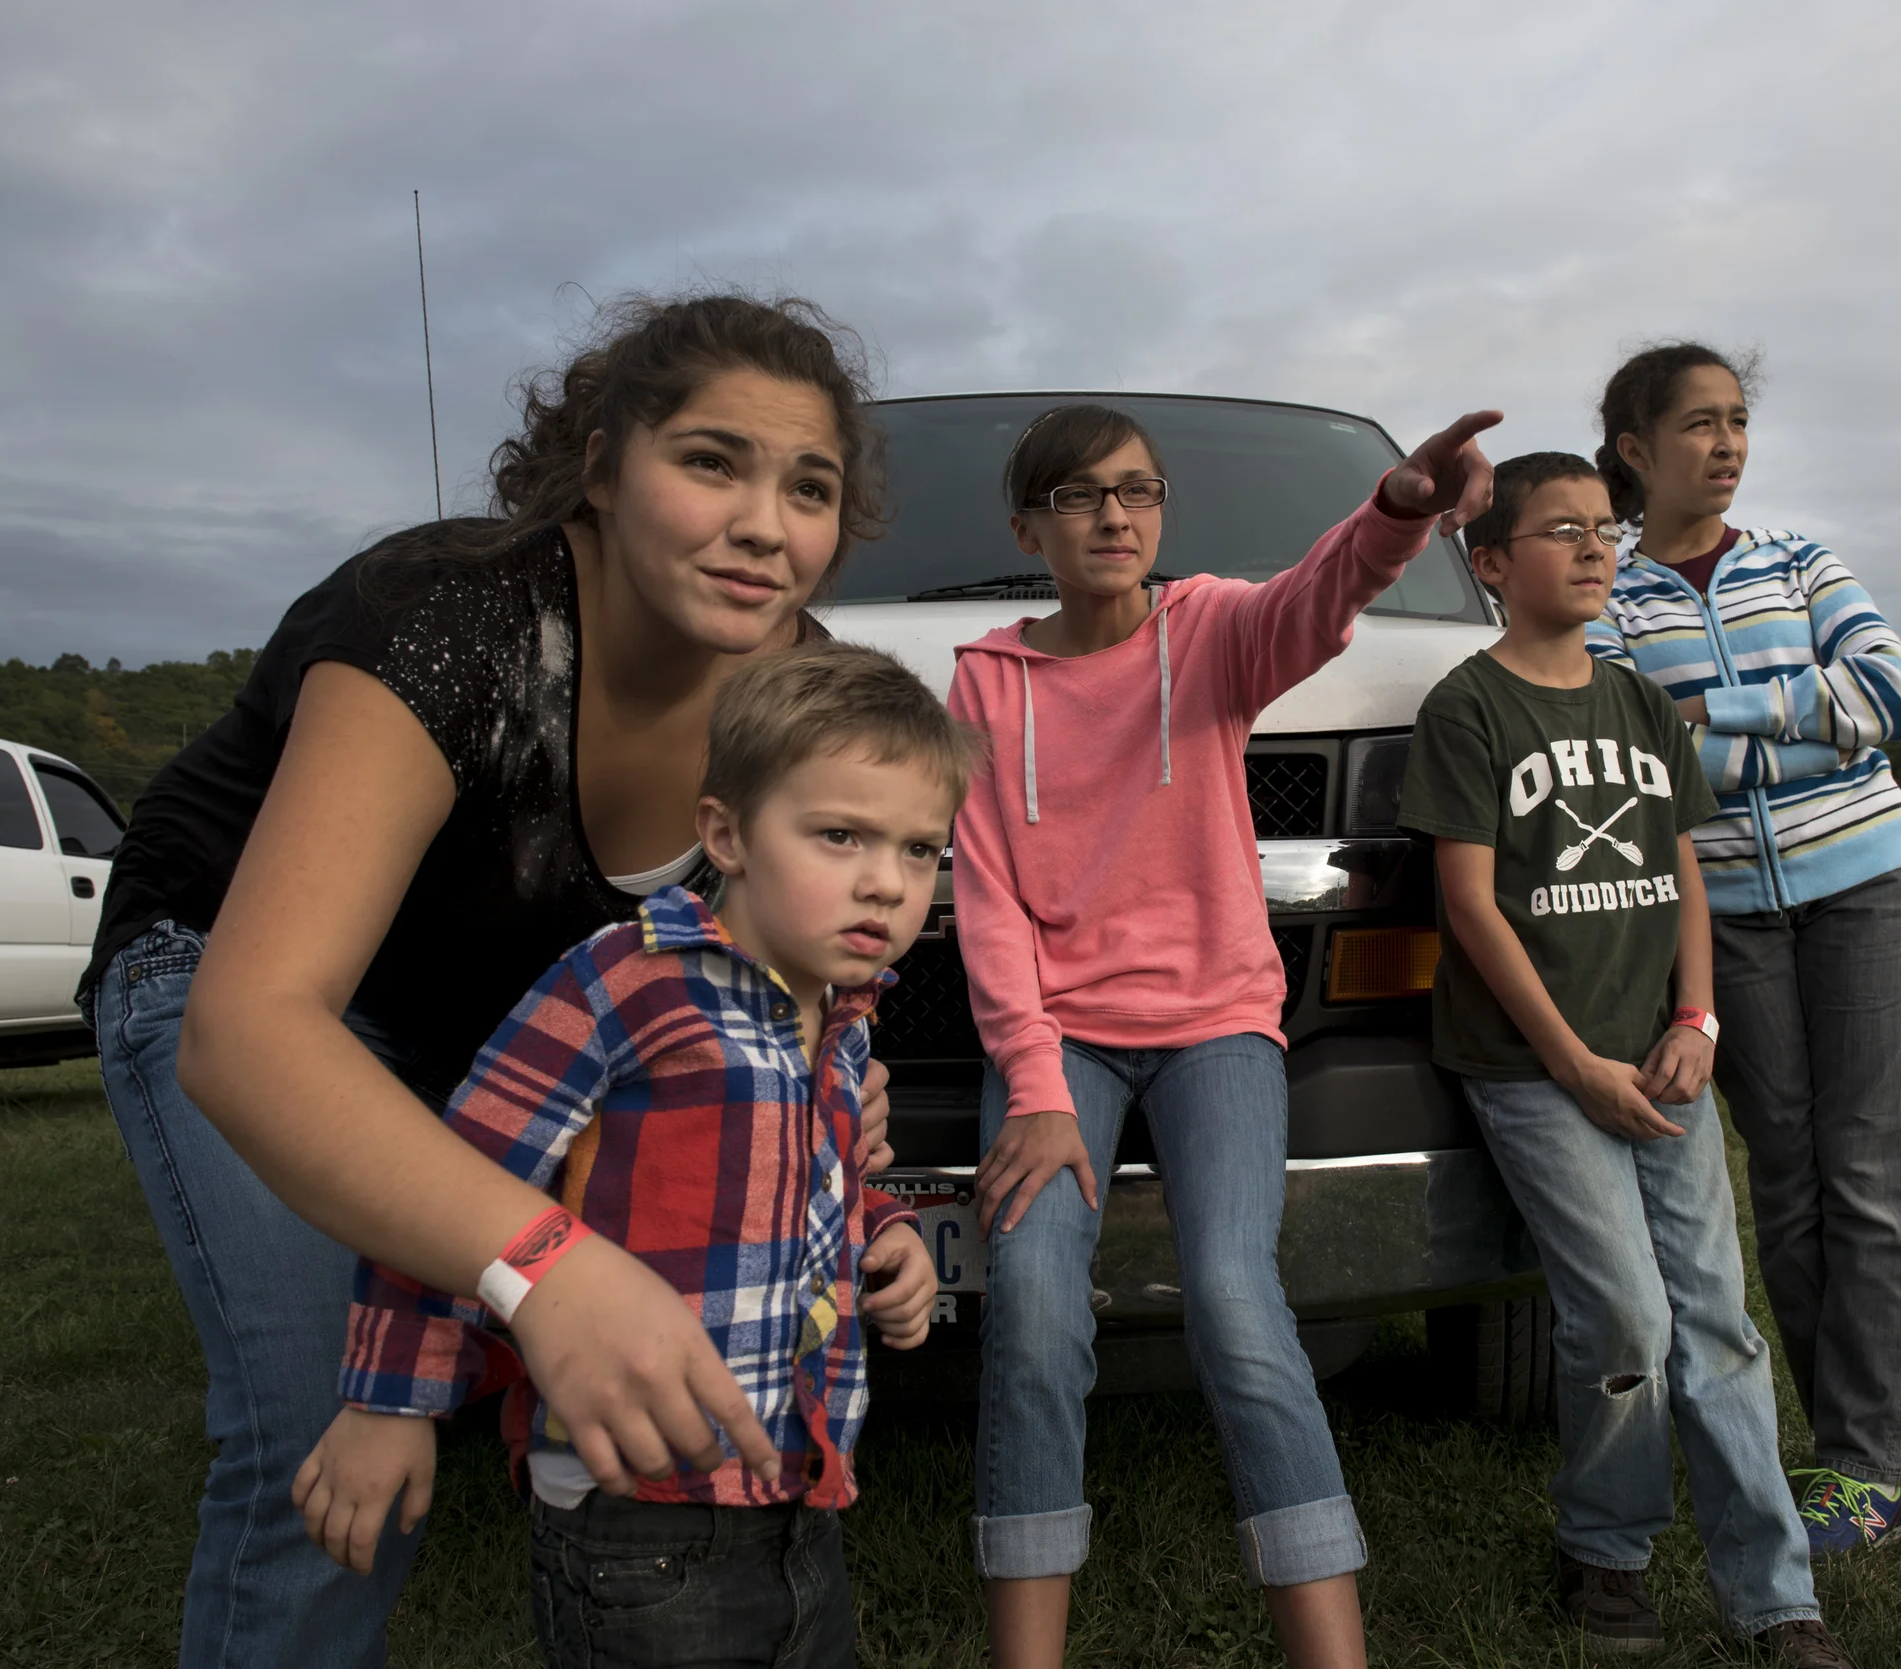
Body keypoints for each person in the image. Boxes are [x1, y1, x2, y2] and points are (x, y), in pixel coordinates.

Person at [81, 293, 900, 1669]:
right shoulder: (447, 614)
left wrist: (837, 1079)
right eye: (711, 461)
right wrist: (545, 1268)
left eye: (808, 487)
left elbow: (799, 940)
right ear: (598, 467)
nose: (766, 524)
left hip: (507, 1032)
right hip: (236, 972)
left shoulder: (797, 684)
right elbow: (251, 1027)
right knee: (323, 1406)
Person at [949, 401, 1500, 1669]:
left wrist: (1399, 509)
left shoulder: (1207, 632)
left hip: (1216, 1027)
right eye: (1082, 495)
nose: (1115, 516)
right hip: (1057, 1043)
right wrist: (1032, 1083)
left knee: (1239, 1303)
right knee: (1031, 1308)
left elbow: (1314, 599)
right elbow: (984, 903)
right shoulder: (984, 682)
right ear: (1028, 523)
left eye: (1138, 492)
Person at [293, 645, 958, 1668]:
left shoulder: (839, 1013)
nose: (886, 882)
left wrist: (887, 1228)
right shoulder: (623, 983)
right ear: (725, 833)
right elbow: (455, 1181)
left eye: (920, 850)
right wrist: (392, 1398)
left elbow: (802, 1178)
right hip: (636, 1517)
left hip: (796, 1497)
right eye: (840, 835)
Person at [1399, 450, 1853, 1667]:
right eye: (1562, 531)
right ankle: (1606, 1549)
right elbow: (1472, 907)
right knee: (1623, 1322)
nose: (1598, 549)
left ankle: (1775, 1597)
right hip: (1532, 1069)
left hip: (1660, 1065)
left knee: (1717, 1322)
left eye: (1606, 528)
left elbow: (1684, 867)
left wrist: (1695, 1024)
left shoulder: (1640, 700)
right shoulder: (1469, 708)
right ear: (1491, 564)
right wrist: (1572, 1062)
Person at [1587, 343, 1901, 1556]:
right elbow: (1639, 770)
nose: (1728, 444)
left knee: (1872, 1178)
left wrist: (1723, 713)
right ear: (1636, 451)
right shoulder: (1612, 605)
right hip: (1727, 918)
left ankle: (1864, 1461)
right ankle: (1866, 1450)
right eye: (1699, 423)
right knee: (1791, 1184)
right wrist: (1806, 719)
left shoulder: (1801, 561)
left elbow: (1893, 696)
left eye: (1738, 420)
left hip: (1867, 888)